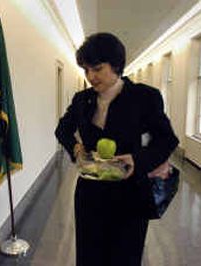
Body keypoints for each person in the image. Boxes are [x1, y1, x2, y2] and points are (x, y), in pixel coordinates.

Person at [55, 33, 179, 266]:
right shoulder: (82, 100)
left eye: (98, 68)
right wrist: (76, 148)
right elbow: (62, 130)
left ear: (116, 65)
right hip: (90, 193)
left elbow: (167, 139)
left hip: (130, 194)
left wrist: (137, 159)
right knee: (89, 256)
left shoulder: (144, 97)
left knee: (125, 257)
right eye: (86, 70)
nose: (91, 76)